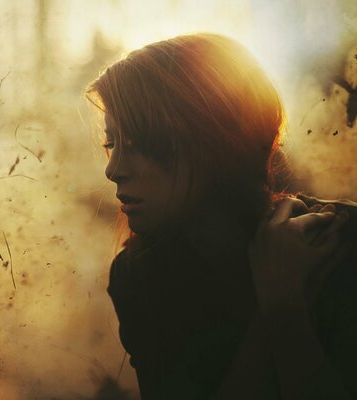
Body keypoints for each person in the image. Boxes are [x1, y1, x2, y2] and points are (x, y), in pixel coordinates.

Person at [85, 33, 357, 399]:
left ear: (215, 141)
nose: (113, 170)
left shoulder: (342, 246)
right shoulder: (139, 277)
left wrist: (283, 309)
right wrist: (277, 305)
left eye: (138, 143)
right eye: (111, 143)